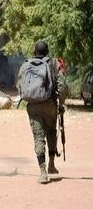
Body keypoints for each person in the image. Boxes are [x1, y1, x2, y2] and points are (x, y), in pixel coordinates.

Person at [17, 40, 67, 184]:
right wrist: (61, 104)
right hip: (49, 105)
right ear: (47, 52)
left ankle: (43, 172)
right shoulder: (53, 64)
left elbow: (19, 85)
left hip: (32, 106)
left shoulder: (25, 65)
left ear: (35, 52)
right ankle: (52, 164)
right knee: (51, 132)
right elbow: (63, 86)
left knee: (38, 137)